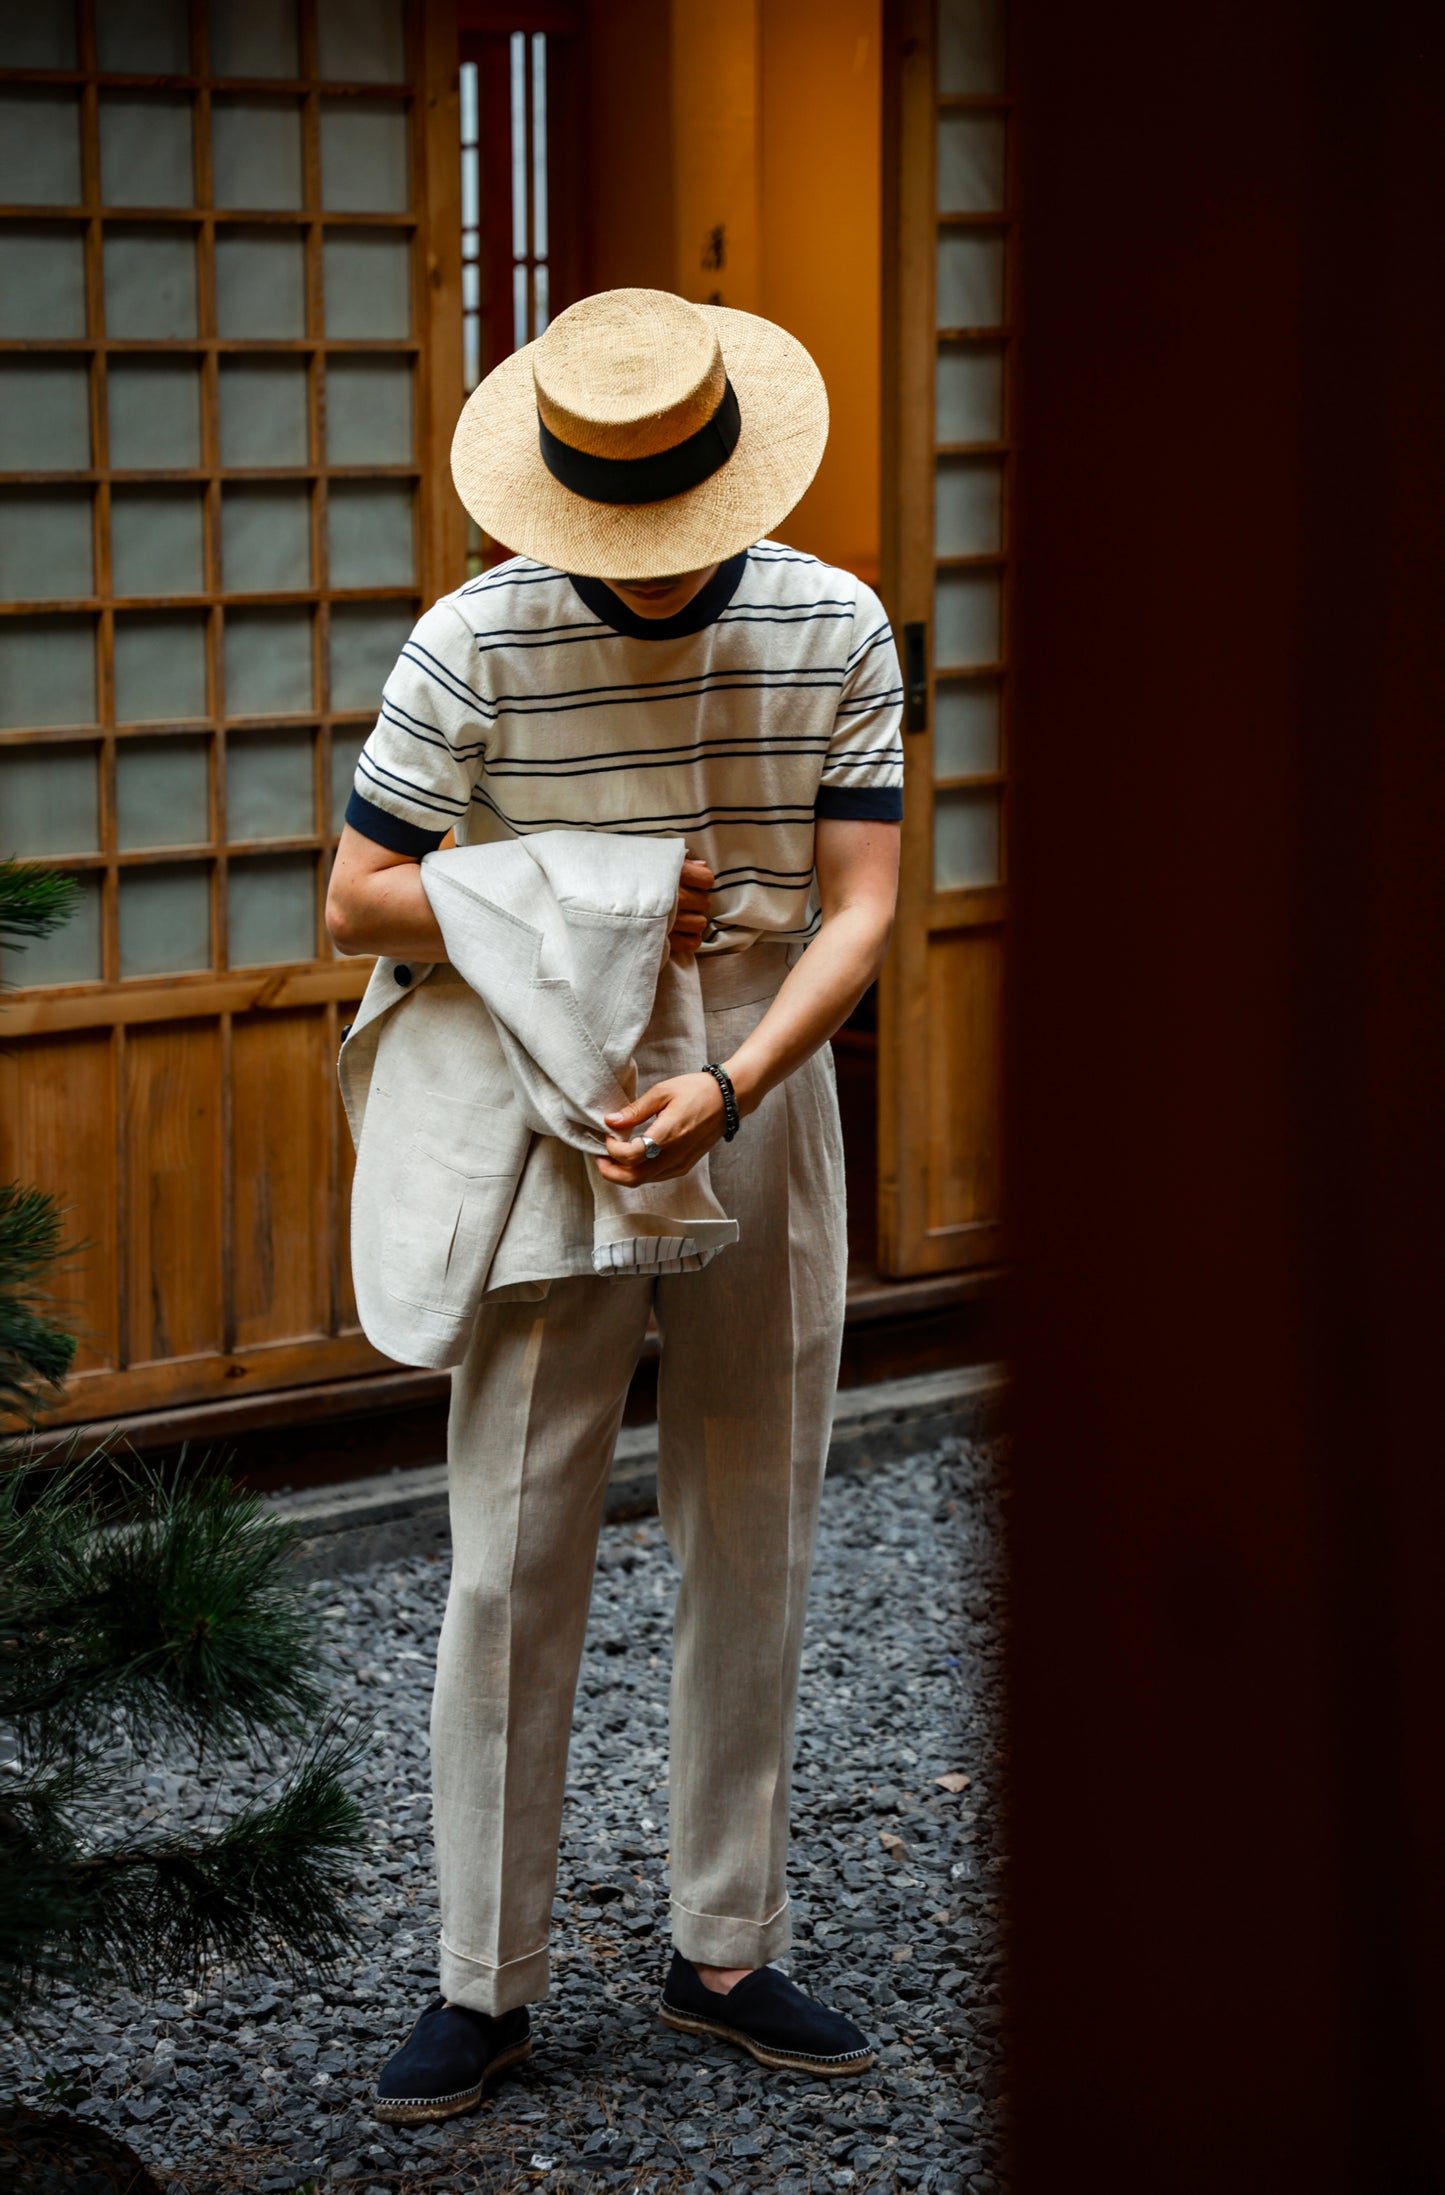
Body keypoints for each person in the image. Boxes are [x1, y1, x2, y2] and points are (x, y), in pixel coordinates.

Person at [325, 287, 903, 2121]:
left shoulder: (833, 618)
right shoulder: (474, 636)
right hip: (540, 1064)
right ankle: (480, 1980)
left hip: (764, 1058)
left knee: (758, 1516)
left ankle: (723, 1942)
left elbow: (866, 902)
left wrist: (731, 1084)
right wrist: (589, 899)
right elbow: (357, 897)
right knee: (509, 1530)